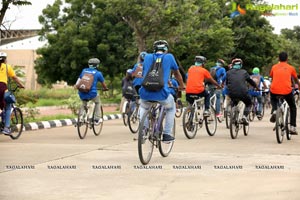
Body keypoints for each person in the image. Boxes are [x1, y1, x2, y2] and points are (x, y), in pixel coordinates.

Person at [139, 40, 184, 142]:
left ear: (154, 49)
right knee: (171, 108)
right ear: (166, 49)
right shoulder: (169, 57)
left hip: (145, 92)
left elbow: (145, 74)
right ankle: (167, 134)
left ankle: (143, 130)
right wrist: (181, 86)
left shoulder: (147, 57)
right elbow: (177, 74)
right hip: (162, 93)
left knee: (143, 107)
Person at [269, 51, 300, 135]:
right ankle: (292, 127)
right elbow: (296, 79)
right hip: (287, 91)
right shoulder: (291, 68)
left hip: (274, 90)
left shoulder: (274, 67)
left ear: (278, 59)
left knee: (272, 98)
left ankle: (275, 110)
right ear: (287, 59)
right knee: (293, 106)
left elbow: (271, 76)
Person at [225, 58, 259, 125]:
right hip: (243, 93)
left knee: (234, 101)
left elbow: (227, 83)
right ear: (241, 65)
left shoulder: (228, 72)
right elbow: (250, 81)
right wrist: (256, 87)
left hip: (231, 93)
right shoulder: (244, 72)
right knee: (249, 103)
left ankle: (232, 113)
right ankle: (244, 116)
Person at [74, 58, 108, 123]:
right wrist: (105, 88)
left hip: (82, 92)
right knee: (97, 102)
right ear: (97, 65)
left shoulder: (84, 70)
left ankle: (80, 117)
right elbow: (103, 84)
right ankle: (97, 119)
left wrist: (76, 86)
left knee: (84, 103)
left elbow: (79, 80)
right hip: (92, 93)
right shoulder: (98, 73)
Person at [0, 52, 25, 135]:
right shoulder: (7, 67)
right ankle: (6, 128)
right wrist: (21, 85)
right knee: (8, 107)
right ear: (5, 59)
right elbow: (14, 77)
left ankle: (2, 121)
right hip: (2, 89)